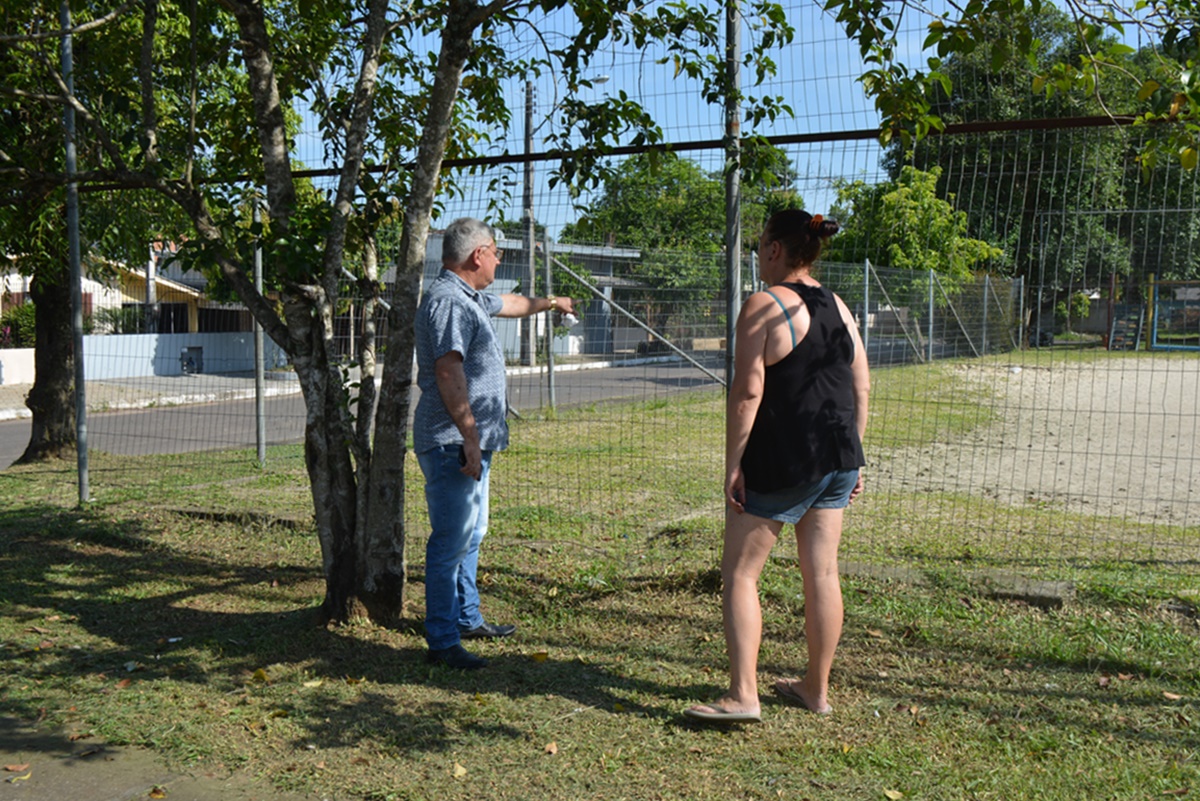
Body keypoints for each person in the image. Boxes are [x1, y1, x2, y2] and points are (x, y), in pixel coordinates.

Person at [685, 209, 869, 722]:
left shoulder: (764, 305)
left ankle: (744, 696)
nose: (759, 250)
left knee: (740, 574)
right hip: (838, 456)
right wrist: (854, 456)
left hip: (787, 458)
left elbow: (748, 392)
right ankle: (816, 689)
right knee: (822, 572)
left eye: (762, 242)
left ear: (774, 249)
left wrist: (734, 464)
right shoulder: (838, 305)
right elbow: (861, 385)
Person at [414, 217, 575, 670]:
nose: (499, 260)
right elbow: (448, 371)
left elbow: (513, 303)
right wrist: (469, 437)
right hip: (452, 442)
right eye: (496, 252)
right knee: (450, 541)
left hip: (468, 442)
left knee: (471, 533)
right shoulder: (449, 302)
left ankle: (466, 618)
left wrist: (552, 302)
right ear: (477, 255)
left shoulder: (470, 298)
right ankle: (442, 641)